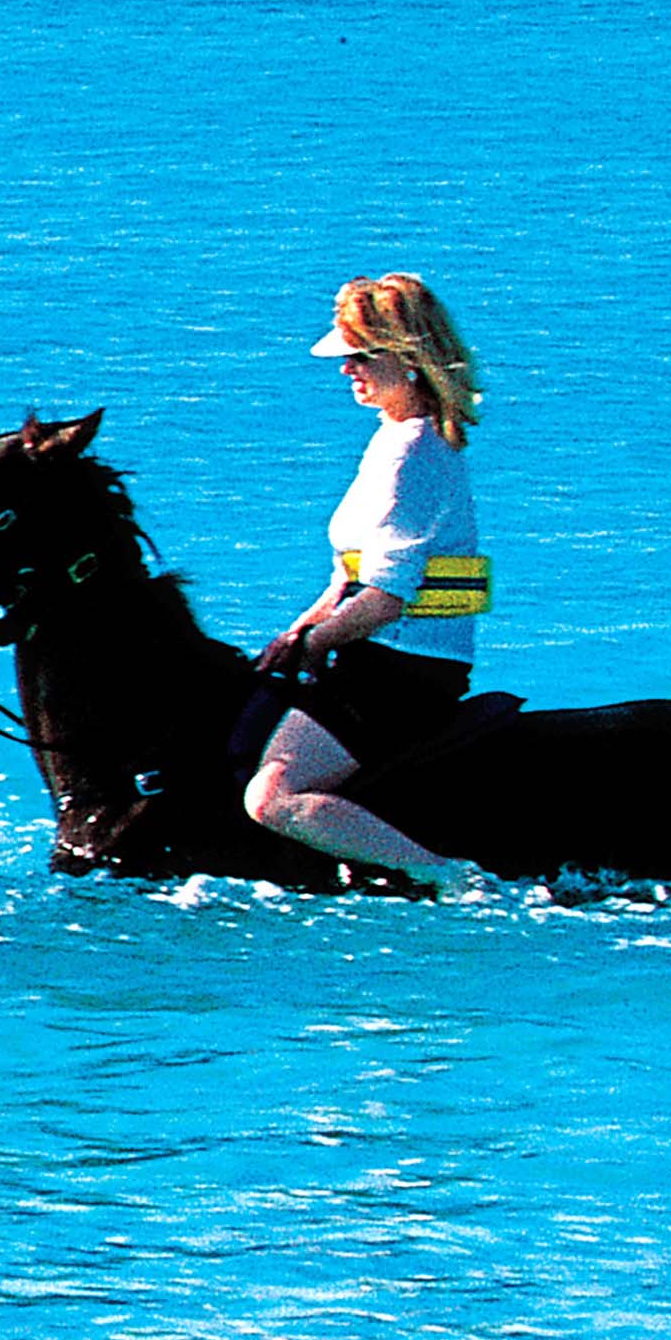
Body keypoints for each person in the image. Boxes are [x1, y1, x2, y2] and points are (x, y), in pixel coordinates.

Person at [241, 272, 489, 887]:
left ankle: (442, 876)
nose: (347, 369)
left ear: (405, 361)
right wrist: (294, 634)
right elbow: (348, 579)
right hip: (372, 655)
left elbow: (383, 601)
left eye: (359, 357)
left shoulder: (413, 453)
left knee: (270, 797)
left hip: (401, 670)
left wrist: (313, 645)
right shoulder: (392, 440)